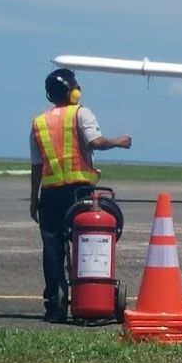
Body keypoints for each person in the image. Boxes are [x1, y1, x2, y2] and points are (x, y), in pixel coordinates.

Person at [29, 68, 131, 322]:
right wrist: (117, 141)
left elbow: (36, 165)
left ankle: (55, 303)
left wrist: (34, 199)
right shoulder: (81, 113)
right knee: (89, 243)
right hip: (79, 193)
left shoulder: (39, 122)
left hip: (50, 194)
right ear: (72, 90)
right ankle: (92, 296)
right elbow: (94, 142)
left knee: (53, 249)